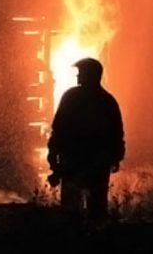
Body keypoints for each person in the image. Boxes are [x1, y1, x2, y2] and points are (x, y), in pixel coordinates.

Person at [47, 57, 124, 223]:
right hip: (98, 162)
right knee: (97, 207)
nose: (78, 76)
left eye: (81, 73)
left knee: (71, 209)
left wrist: (54, 155)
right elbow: (117, 133)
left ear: (91, 75)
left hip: (74, 160)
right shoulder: (107, 101)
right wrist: (116, 157)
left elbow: (59, 128)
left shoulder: (71, 97)